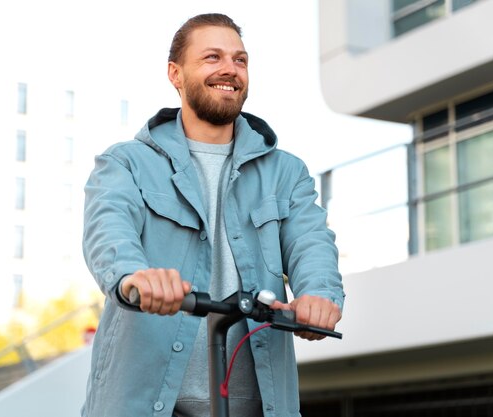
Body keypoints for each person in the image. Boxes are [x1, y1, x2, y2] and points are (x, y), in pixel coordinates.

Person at [81, 13, 344, 417]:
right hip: (146, 403)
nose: (229, 69)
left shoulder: (286, 172)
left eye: (240, 60)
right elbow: (109, 230)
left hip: (258, 405)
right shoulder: (127, 163)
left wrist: (319, 295)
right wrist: (135, 276)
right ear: (176, 74)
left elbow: (312, 242)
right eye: (212, 57)